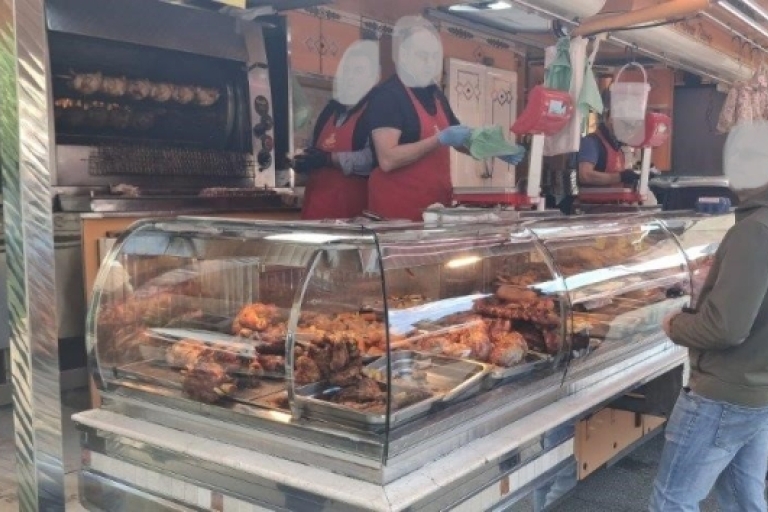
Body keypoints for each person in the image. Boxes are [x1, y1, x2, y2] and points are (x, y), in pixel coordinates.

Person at [649, 121, 768, 511]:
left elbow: (725, 328)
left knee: (672, 501)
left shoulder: (755, 230)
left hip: (723, 394)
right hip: (757, 390)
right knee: (744, 499)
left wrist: (674, 324)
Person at [366, 16, 523, 221]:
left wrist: (494, 147)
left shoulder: (435, 94)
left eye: (433, 57)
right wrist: (438, 140)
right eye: (422, 56)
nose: (429, 63)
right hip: (397, 216)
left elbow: (459, 139)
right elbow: (388, 159)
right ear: (403, 55)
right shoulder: (388, 96)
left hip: (434, 212)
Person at [294, 40, 379, 220]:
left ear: (373, 78)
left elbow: (373, 159)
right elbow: (312, 147)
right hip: (314, 212)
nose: (351, 77)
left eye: (358, 71)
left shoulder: (376, 113)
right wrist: (303, 162)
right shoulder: (329, 110)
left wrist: (329, 159)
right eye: (347, 71)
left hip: (350, 218)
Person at [577, 92, 639, 188]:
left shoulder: (618, 147)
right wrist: (620, 177)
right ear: (611, 119)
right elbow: (585, 175)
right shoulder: (591, 142)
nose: (626, 129)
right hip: (594, 198)